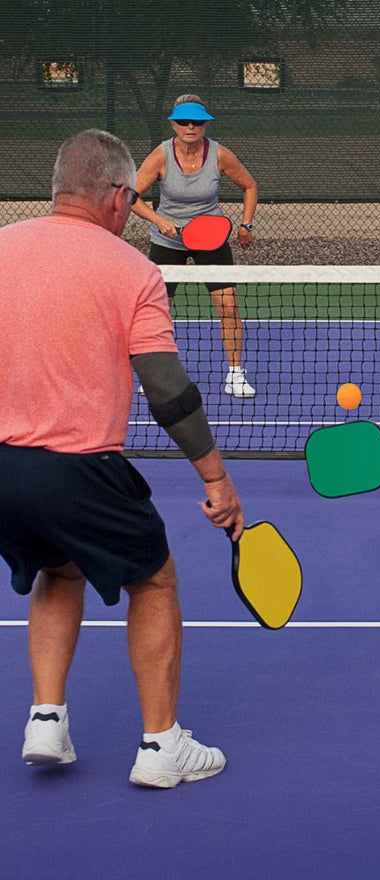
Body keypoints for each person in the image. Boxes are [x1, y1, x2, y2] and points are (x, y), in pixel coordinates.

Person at [0, 129, 245, 787]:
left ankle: (46, 719)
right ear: (116, 197)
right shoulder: (132, 270)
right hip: (78, 468)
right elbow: (167, 390)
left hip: (3, 469)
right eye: (131, 198)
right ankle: (162, 746)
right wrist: (217, 479)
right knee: (155, 581)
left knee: (61, 568)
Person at [131, 94, 259, 398]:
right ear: (173, 125)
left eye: (197, 122)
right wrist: (159, 220)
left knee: (228, 305)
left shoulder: (219, 154)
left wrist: (246, 225)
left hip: (210, 238)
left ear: (205, 125)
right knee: (158, 309)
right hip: (167, 240)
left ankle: (235, 374)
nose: (190, 127)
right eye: (184, 121)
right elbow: (131, 195)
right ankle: (154, 374)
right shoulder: (161, 155)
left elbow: (250, 185)